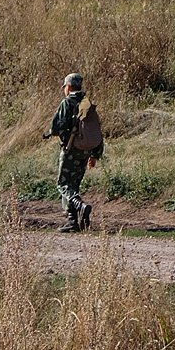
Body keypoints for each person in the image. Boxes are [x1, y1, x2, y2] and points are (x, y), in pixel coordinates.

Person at [45, 72, 104, 232]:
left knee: (63, 184)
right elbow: (97, 130)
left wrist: (52, 132)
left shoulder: (67, 103)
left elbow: (58, 127)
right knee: (74, 186)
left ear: (69, 86)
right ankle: (75, 221)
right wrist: (95, 154)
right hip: (85, 151)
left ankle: (80, 207)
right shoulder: (87, 104)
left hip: (70, 149)